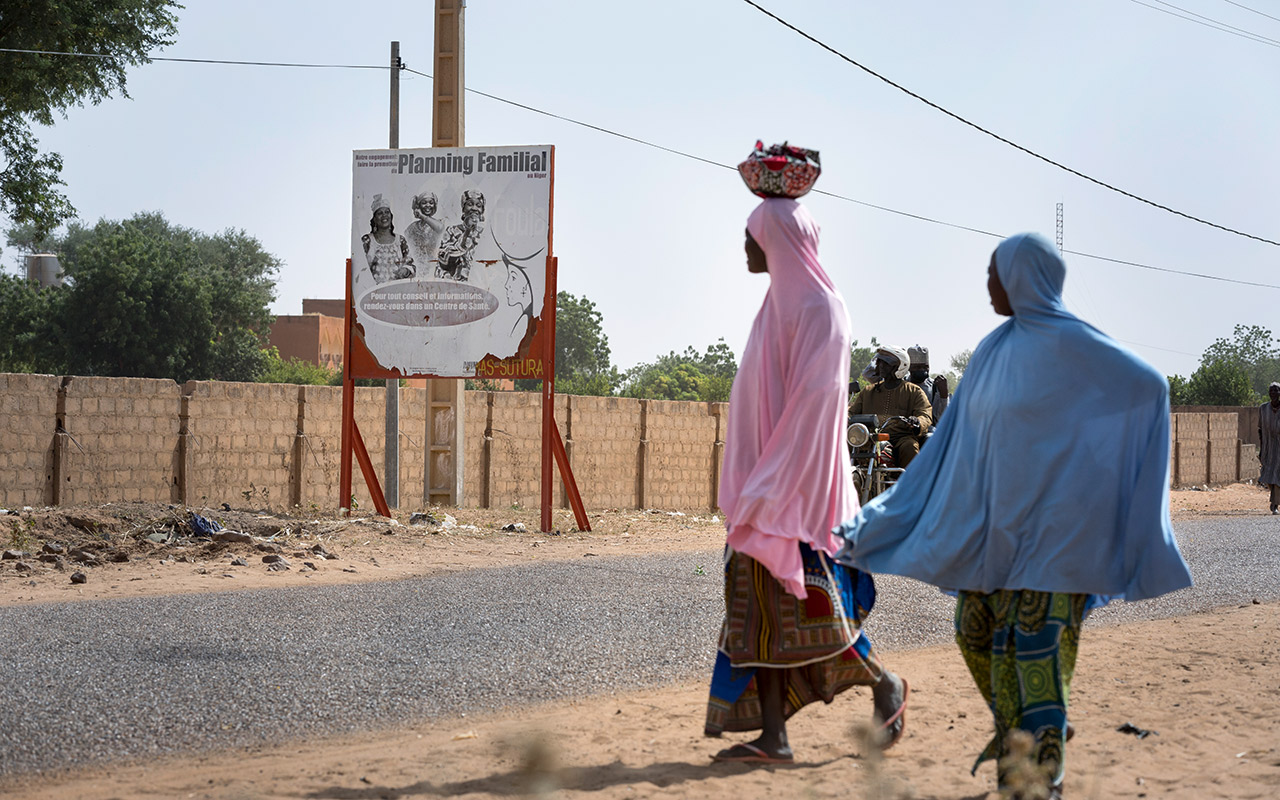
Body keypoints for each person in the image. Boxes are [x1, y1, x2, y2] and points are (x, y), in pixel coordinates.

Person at [835, 233, 1192, 800]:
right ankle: (1031, 734)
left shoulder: (1080, 347)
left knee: (1037, 651)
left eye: (994, 273)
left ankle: (1036, 778)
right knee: (973, 629)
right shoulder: (994, 351)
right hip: (1001, 538)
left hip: (1061, 542)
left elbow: (1148, 386)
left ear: (1024, 278)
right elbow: (950, 446)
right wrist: (877, 517)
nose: (988, 285)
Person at [706, 196, 908, 765]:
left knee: (812, 612)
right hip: (763, 491)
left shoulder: (823, 308)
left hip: (797, 493)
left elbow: (814, 408)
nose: (746, 247)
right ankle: (775, 738)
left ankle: (883, 683)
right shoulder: (775, 306)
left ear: (778, 241)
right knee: (756, 617)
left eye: (752, 236)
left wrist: (771, 485)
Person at [848, 345, 933, 466]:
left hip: (900, 438)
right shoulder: (868, 391)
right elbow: (852, 412)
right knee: (845, 441)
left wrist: (917, 422)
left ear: (899, 366)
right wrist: (844, 418)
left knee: (910, 446)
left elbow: (925, 413)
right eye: (880, 362)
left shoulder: (914, 391)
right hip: (871, 437)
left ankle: (909, 483)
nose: (881, 366)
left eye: (886, 363)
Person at [360, 194, 415, 284]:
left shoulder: (400, 240)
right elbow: (361, 267)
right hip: (373, 293)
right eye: (380, 213)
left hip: (396, 293)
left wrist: (405, 270)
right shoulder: (367, 240)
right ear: (374, 219)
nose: (384, 215)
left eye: (387, 212)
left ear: (391, 216)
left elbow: (411, 264)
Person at [437, 189, 485, 282]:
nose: (474, 208)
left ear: (482, 210)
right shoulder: (451, 231)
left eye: (478, 205)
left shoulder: (484, 234)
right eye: (470, 204)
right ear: (463, 208)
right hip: (456, 287)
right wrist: (467, 231)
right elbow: (444, 263)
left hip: (480, 285)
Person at [907, 345, 949, 426]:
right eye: (918, 367)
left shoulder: (935, 387)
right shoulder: (902, 384)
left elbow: (942, 420)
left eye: (925, 367)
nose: (922, 370)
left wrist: (944, 396)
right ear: (909, 367)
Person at [405, 191, 445, 267]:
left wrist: (422, 216)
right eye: (424, 203)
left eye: (431, 203)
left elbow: (440, 229)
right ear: (419, 205)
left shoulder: (439, 223)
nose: (428, 205)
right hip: (417, 266)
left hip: (434, 266)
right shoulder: (412, 227)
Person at [1260, 382, 1280, 514]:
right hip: (1268, 447)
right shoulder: (1263, 409)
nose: (1273, 393)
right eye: (1271, 391)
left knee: (1278, 475)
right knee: (1268, 475)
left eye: (1276, 391)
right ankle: (1274, 500)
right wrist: (1262, 448)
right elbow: (1260, 429)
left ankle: (1275, 504)